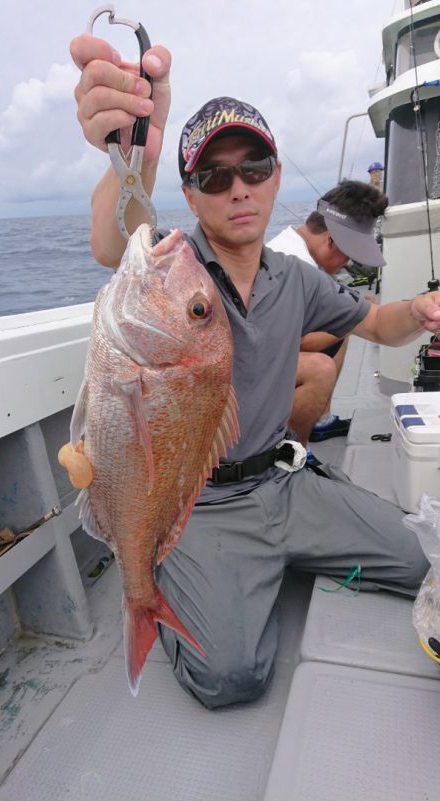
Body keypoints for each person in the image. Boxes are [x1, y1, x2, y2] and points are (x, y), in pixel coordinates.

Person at [70, 33, 440, 710]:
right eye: (213, 176)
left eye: (255, 166)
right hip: (201, 504)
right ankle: (177, 567)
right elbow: (114, 237)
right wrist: (131, 161)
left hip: (284, 480)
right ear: (189, 189)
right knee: (231, 678)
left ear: (274, 174)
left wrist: (418, 308)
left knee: (426, 558)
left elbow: (378, 323)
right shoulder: (173, 270)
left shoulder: (296, 277)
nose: (237, 188)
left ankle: (281, 560)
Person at [267, 180, 387, 449]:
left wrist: (349, 315)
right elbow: (296, 344)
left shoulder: (299, 248)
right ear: (331, 239)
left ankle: (319, 420)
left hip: (269, 357)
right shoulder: (291, 264)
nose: (349, 263)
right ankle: (288, 452)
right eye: (350, 254)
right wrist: (354, 320)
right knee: (321, 369)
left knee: (342, 323)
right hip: (253, 371)